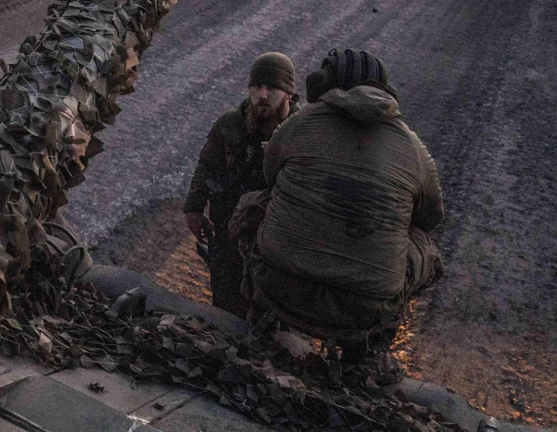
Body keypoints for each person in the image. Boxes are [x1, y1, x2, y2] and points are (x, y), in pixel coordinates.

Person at [246, 49, 444, 375]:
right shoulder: (411, 146)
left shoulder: (300, 123)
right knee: (426, 247)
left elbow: (271, 177)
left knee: (253, 205)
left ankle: (262, 322)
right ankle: (368, 351)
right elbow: (430, 217)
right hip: (362, 310)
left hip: (281, 287)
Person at [183, 52, 299, 317]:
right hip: (227, 235)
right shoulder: (229, 124)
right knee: (226, 307)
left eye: (272, 88)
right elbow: (206, 165)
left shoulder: (301, 132)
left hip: (275, 240)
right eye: (257, 87)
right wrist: (194, 209)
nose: (262, 95)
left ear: (289, 94)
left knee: (270, 312)